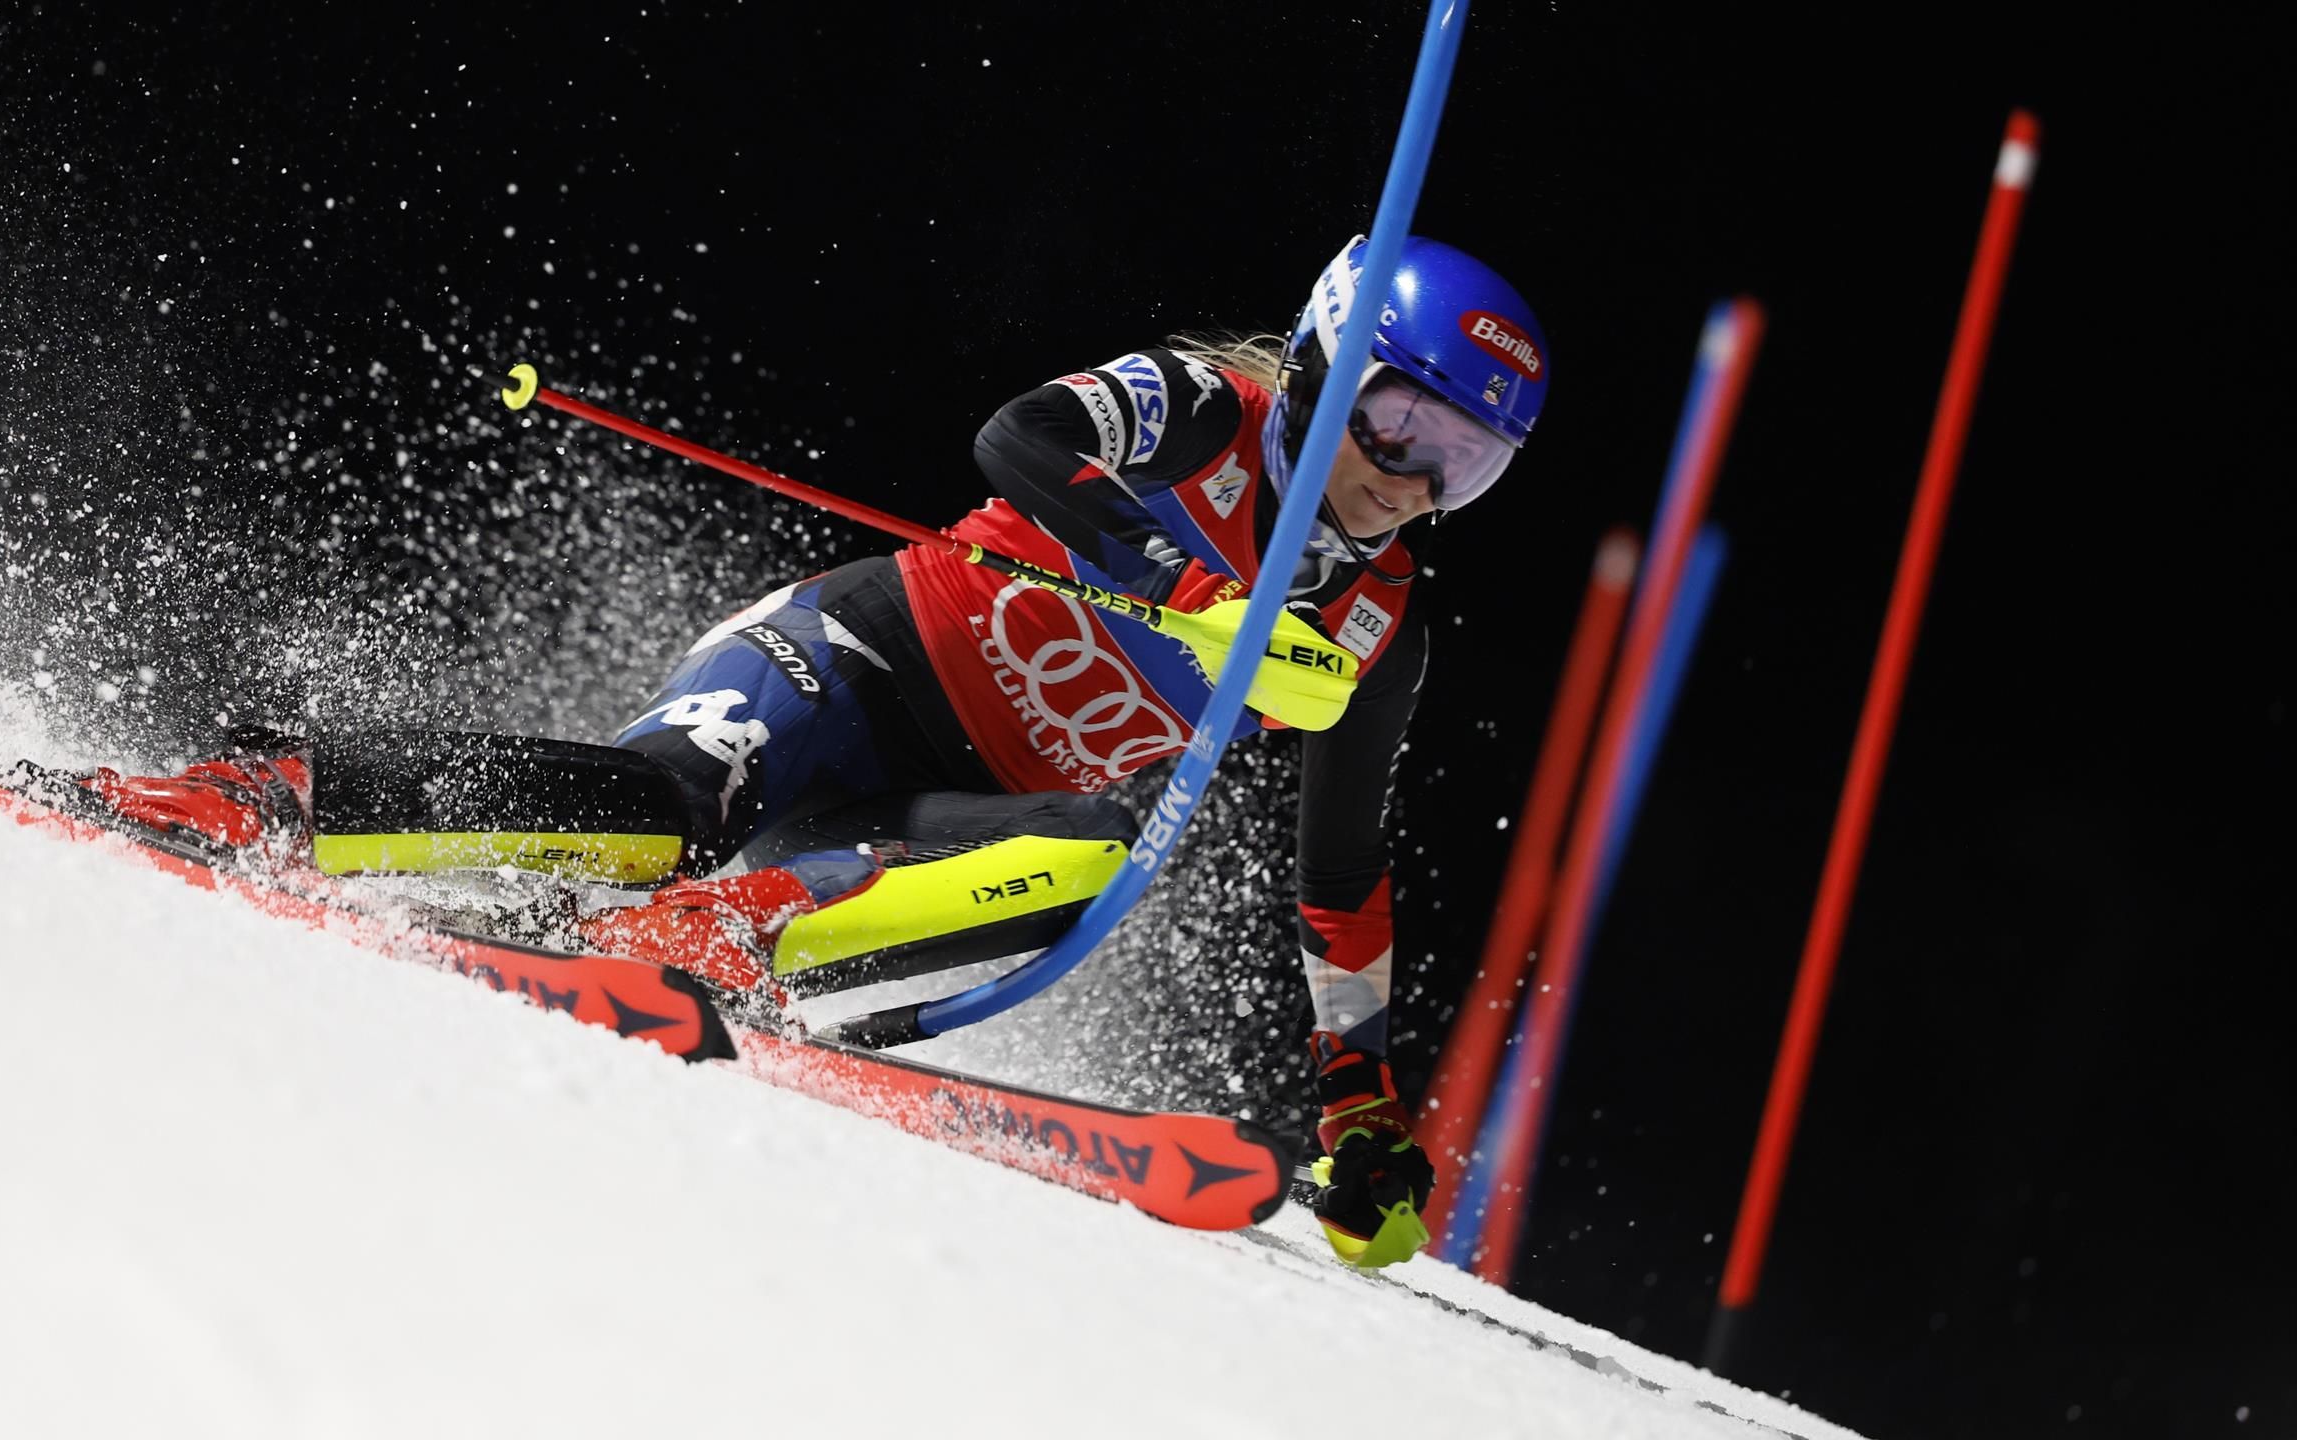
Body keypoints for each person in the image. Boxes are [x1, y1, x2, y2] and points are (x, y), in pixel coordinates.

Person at [83, 234, 1550, 1268]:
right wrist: (1188, 600)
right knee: (660, 806)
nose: (1413, 483)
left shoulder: (1383, 624)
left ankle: (715, 943)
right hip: (853, 664)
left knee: (1113, 847)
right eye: (1404, 420)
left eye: (1468, 468)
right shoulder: (1202, 405)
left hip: (953, 803)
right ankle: (281, 796)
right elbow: (1020, 438)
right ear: (1322, 358)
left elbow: (1340, 873)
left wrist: (1358, 1096)